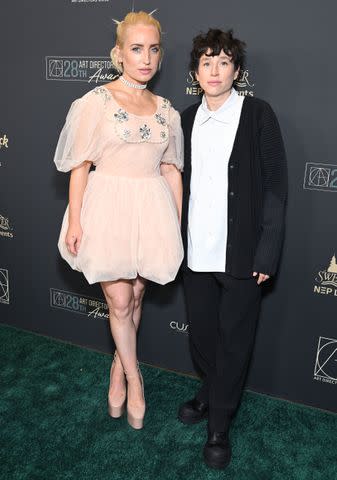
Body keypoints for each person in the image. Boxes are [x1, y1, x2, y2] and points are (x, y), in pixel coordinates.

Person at [54, 11, 183, 430]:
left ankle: (116, 367)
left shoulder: (166, 110)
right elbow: (80, 165)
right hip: (107, 206)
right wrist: (76, 221)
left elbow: (170, 170)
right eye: (136, 49)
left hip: (152, 210)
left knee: (139, 297)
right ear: (119, 54)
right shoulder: (96, 102)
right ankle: (133, 376)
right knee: (120, 300)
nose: (145, 58)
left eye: (153, 49)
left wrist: (175, 223)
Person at [178, 29, 287, 469]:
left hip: (241, 254)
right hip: (195, 252)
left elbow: (277, 187)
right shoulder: (185, 119)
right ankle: (210, 390)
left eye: (224, 62)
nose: (215, 70)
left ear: (237, 71)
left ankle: (219, 423)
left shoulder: (258, 114)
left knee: (235, 340)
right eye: (206, 62)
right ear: (196, 72)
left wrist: (268, 250)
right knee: (204, 337)